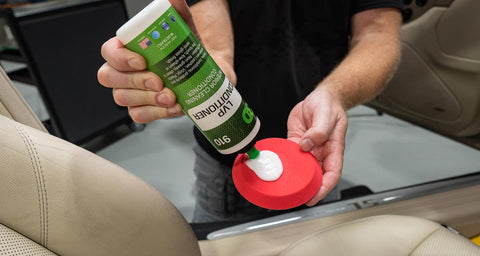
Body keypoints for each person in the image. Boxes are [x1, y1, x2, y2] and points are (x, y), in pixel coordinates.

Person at [98, 0, 403, 223]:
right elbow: (216, 45)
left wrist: (333, 93)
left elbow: (377, 35)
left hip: (312, 154)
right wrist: (208, 70)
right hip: (227, 168)